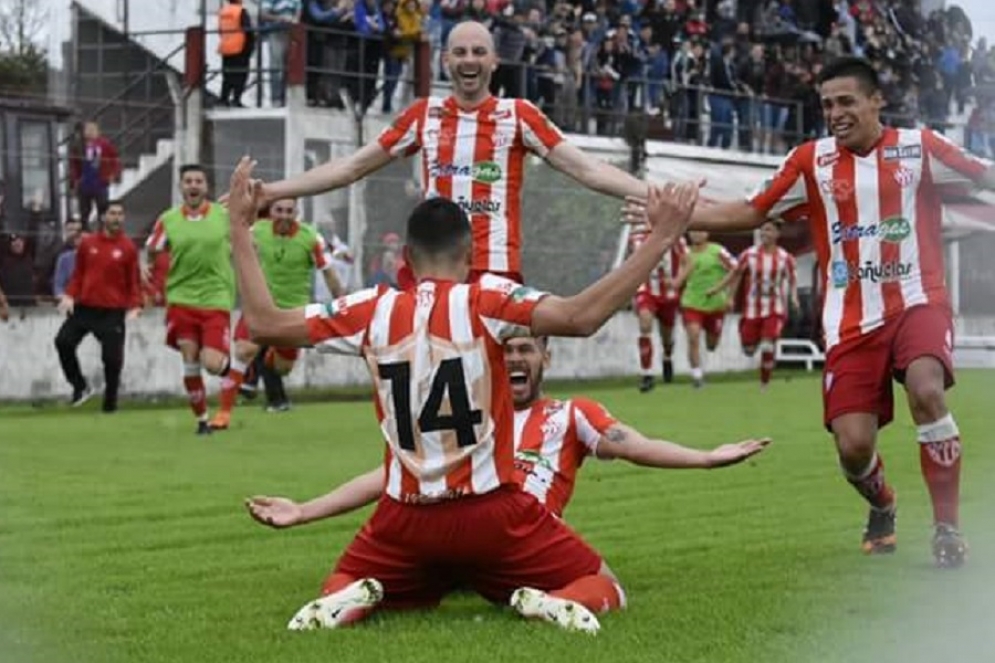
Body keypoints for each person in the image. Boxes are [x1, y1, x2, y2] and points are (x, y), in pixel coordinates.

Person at [227, 156, 698, 634]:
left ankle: (350, 600)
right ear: (470, 255)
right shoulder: (487, 298)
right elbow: (580, 317)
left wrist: (241, 228)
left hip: (403, 519)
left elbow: (264, 323)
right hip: (490, 514)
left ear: (406, 258)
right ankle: (550, 602)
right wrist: (661, 237)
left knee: (345, 579)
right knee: (603, 583)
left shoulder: (370, 308)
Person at [632, 56, 995, 567]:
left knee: (926, 389)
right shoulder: (811, 161)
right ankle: (883, 504)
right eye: (827, 105)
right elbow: (752, 210)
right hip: (849, 321)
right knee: (853, 447)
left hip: (918, 301)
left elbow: (985, 175)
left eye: (846, 102)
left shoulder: (920, 148)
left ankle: (947, 529)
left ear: (876, 101)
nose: (835, 113)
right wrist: (678, 219)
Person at [252, 20, 652, 286]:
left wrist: (656, 196)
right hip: (433, 271)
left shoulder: (518, 115)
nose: (469, 60)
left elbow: (587, 169)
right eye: (460, 53)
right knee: (430, 383)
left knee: (492, 384)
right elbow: (351, 167)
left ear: (494, 60)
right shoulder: (423, 115)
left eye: (478, 52)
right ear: (446, 61)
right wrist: (271, 192)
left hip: (494, 272)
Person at [246, 333, 770, 523]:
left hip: (526, 532)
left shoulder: (572, 414)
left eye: (526, 349)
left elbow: (635, 445)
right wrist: (306, 509)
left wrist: (706, 458)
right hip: (464, 527)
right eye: (506, 351)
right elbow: (393, 474)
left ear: (546, 356)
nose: (515, 359)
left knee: (599, 582)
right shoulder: (467, 414)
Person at [210, 196, 345, 429]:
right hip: (258, 306)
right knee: (243, 351)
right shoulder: (257, 231)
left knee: (283, 368)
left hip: (293, 312)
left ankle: (263, 357)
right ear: (271, 212)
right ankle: (223, 414)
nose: (283, 215)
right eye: (279, 210)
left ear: (297, 213)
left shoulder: (311, 238)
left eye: (288, 211)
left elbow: (329, 273)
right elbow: (229, 237)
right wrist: (224, 209)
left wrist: (342, 304)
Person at [145, 164, 235, 435]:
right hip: (181, 299)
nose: (193, 185)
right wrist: (149, 266)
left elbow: (245, 238)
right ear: (181, 187)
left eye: (198, 181)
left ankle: (234, 371)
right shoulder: (168, 219)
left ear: (206, 187)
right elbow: (152, 248)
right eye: (188, 181)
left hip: (216, 297)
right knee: (190, 360)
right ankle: (202, 420)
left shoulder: (223, 216)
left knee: (212, 363)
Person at [55, 201, 143, 411]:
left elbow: (133, 281)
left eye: (120, 214)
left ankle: (110, 404)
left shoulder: (128, 247)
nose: (117, 218)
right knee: (63, 342)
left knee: (112, 360)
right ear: (103, 217)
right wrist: (69, 295)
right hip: (85, 308)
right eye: (112, 213)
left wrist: (136, 305)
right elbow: (78, 275)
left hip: (112, 312)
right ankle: (80, 386)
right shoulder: (88, 244)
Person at [708, 219, 798, 389]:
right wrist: (723, 292)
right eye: (763, 230)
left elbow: (792, 279)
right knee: (749, 350)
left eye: (769, 230)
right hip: (752, 309)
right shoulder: (749, 255)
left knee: (767, 344)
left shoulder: (784, 258)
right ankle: (751, 340)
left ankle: (764, 383)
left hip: (775, 307)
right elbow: (735, 274)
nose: (765, 234)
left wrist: (794, 298)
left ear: (777, 234)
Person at [630, 226, 687, 392]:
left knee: (667, 337)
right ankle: (647, 374)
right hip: (646, 290)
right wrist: (632, 294)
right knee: (645, 324)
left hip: (668, 294)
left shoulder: (674, 236)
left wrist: (677, 281)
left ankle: (667, 356)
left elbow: (687, 262)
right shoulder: (637, 238)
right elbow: (631, 268)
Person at [678, 230, 737, 388]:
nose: (696, 235)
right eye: (693, 231)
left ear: (707, 233)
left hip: (715, 304)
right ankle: (697, 376)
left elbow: (736, 270)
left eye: (700, 231)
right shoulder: (686, 254)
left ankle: (711, 342)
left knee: (711, 345)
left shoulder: (717, 251)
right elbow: (679, 279)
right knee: (693, 337)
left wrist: (726, 293)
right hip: (692, 303)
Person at [69, 122, 121, 228]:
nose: (90, 132)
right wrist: (76, 179)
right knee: (84, 210)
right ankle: (85, 229)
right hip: (85, 182)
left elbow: (115, 159)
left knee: (102, 208)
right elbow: (74, 163)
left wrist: (113, 174)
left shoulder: (105, 144)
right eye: (88, 130)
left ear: (98, 131)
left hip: (100, 182)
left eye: (93, 130)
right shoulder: (79, 145)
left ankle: (102, 229)